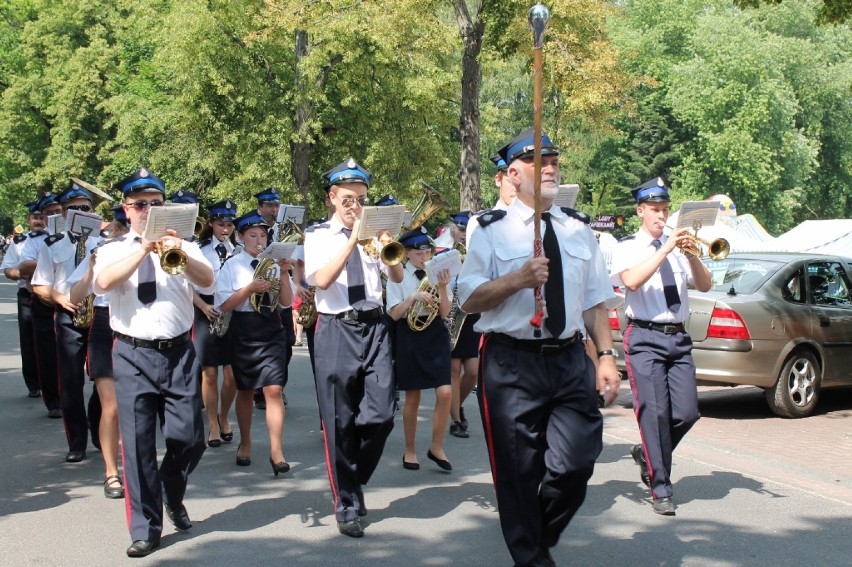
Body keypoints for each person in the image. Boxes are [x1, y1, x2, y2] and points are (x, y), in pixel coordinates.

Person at [457, 128, 620, 567]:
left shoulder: (578, 230)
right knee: (517, 471)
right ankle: (531, 558)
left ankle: (537, 533)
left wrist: (606, 355)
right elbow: (468, 299)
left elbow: (594, 302)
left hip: (568, 358)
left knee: (576, 462)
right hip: (511, 361)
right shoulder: (490, 230)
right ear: (513, 173)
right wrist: (518, 279)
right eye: (537, 162)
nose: (550, 167)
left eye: (553, 160)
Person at [93, 168, 212, 558]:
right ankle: (146, 528)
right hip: (132, 354)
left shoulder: (185, 245)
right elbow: (105, 282)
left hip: (178, 352)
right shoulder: (113, 248)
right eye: (140, 205)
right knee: (139, 444)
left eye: (156, 205)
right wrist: (143, 248)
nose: (148, 210)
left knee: (191, 437)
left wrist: (175, 249)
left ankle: (170, 490)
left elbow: (208, 281)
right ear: (127, 210)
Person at [303, 157, 404, 538]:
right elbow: (323, 280)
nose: (355, 206)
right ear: (332, 197)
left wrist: (385, 245)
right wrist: (351, 239)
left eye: (361, 199)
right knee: (339, 420)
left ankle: (353, 478)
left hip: (375, 325)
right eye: (348, 199)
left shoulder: (374, 234)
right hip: (336, 327)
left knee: (381, 415)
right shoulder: (317, 235)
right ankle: (346, 502)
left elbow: (395, 272)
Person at [609, 176, 711, 516]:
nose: (661, 216)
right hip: (644, 337)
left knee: (687, 412)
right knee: (655, 414)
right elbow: (632, 281)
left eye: (665, 209)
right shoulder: (627, 247)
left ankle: (646, 452)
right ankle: (661, 487)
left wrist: (692, 254)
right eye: (654, 210)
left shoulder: (678, 245)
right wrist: (665, 249)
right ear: (640, 210)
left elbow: (705, 285)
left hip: (678, 336)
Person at [215, 211, 293, 475]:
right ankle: (246, 441)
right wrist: (248, 289)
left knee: (273, 389)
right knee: (245, 390)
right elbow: (224, 305)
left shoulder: (272, 263)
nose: (258, 240)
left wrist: (283, 274)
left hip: (271, 328)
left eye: (262, 235)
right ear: (240, 237)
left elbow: (285, 302)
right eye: (252, 235)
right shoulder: (232, 265)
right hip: (244, 329)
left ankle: (276, 450)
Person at [31, 182, 102, 462]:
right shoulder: (52, 244)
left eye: (85, 208)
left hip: (99, 316)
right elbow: (39, 284)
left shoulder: (104, 244)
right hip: (68, 315)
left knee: (104, 379)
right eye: (74, 209)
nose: (80, 213)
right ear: (63, 214)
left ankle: (98, 428)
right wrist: (59, 298)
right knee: (70, 382)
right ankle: (76, 442)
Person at [68, 206, 128, 498]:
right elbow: (75, 296)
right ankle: (111, 473)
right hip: (104, 328)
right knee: (112, 405)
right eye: (121, 226)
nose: (124, 231)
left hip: (133, 327)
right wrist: (91, 268)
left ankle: (135, 464)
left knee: (134, 406)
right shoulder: (102, 252)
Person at [386, 227, 453, 471]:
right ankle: (410, 449)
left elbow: (446, 312)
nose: (424, 256)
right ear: (406, 253)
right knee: (412, 396)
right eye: (418, 252)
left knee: (445, 392)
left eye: (427, 251)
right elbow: (393, 314)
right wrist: (412, 298)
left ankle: (437, 446)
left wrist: (443, 287)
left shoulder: (435, 274)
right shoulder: (398, 275)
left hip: (434, 332)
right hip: (409, 334)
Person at [194, 199, 238, 447]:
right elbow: (186, 285)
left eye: (230, 224)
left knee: (231, 375)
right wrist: (202, 306)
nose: (225, 229)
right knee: (209, 373)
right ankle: (212, 423)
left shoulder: (239, 250)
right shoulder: (199, 250)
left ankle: (224, 415)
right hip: (206, 308)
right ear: (211, 224)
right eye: (221, 224)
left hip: (231, 309)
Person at [18, 193, 64, 418]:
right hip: (45, 301)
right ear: (43, 218)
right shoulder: (34, 241)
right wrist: (51, 259)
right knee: (47, 354)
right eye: (50, 213)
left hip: (74, 301)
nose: (55, 216)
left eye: (58, 211)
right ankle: (54, 401)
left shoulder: (79, 236)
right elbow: (24, 265)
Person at [1, 199, 47, 399]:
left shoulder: (57, 238)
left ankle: (51, 381)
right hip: (27, 295)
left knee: (51, 341)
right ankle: (33, 383)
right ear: (29, 220)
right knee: (29, 341)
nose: (38, 221)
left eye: (41, 217)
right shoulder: (20, 243)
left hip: (51, 295)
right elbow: (7, 269)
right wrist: (20, 274)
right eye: (35, 217)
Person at [445, 211, 479, 439]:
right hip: (453, 313)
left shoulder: (479, 251)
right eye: (461, 231)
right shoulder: (446, 253)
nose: (465, 235)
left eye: (468, 231)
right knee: (454, 369)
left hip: (474, 314)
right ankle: (456, 420)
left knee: (473, 372)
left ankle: (457, 406)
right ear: (453, 231)